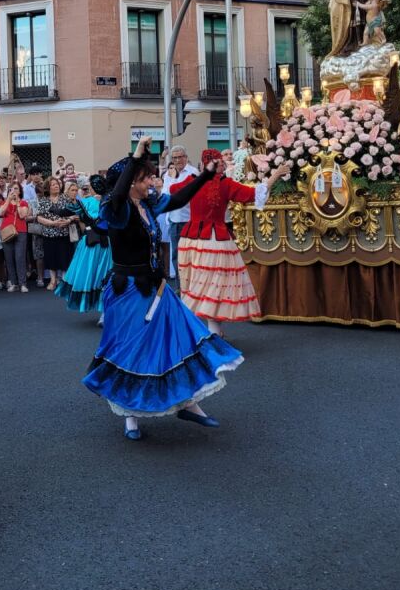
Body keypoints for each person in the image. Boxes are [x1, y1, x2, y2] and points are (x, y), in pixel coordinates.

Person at [82, 137, 242, 440]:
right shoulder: (116, 210)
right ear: (131, 183)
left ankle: (188, 403)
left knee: (179, 340)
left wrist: (207, 174)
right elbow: (117, 196)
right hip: (127, 292)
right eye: (145, 178)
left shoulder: (149, 204)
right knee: (130, 352)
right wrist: (135, 157)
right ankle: (130, 415)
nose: (152, 182)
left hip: (156, 289)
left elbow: (180, 199)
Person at [173, 150, 288, 336]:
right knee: (215, 285)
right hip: (214, 240)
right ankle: (214, 330)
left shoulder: (193, 180)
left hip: (190, 239)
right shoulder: (225, 184)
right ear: (218, 164)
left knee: (197, 283)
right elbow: (253, 194)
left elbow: (173, 190)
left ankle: (199, 330)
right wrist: (275, 175)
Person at [55, 175, 112, 315]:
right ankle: (104, 310)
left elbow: (63, 211)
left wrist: (51, 210)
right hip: (105, 243)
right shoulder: (110, 201)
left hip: (93, 243)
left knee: (89, 274)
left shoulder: (87, 202)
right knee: (104, 274)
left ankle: (103, 310)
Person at [161, 146, 199, 294]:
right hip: (174, 219)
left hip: (190, 219)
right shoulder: (168, 175)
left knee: (192, 255)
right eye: (175, 158)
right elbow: (165, 194)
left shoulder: (193, 172)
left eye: (180, 157)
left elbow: (185, 193)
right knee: (176, 255)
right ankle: (180, 287)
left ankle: (194, 287)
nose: (178, 160)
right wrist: (171, 178)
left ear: (186, 157)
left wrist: (173, 181)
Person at [35, 176, 76, 291]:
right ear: (48, 187)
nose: (56, 185)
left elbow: (74, 213)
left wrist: (68, 220)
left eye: (57, 183)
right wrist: (53, 223)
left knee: (64, 257)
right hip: (49, 234)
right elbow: (39, 218)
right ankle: (53, 281)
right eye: (53, 184)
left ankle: (64, 280)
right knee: (51, 258)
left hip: (64, 233)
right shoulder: (43, 200)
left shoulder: (66, 198)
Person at [0, 181, 30, 292]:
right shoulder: (4, 202)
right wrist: (8, 199)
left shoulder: (24, 203)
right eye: (11, 189)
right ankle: (13, 283)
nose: (14, 191)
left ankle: (23, 284)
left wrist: (17, 203)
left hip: (20, 231)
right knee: (9, 258)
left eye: (16, 189)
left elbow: (23, 215)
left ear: (20, 191)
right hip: (7, 232)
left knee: (20, 257)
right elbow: (1, 213)